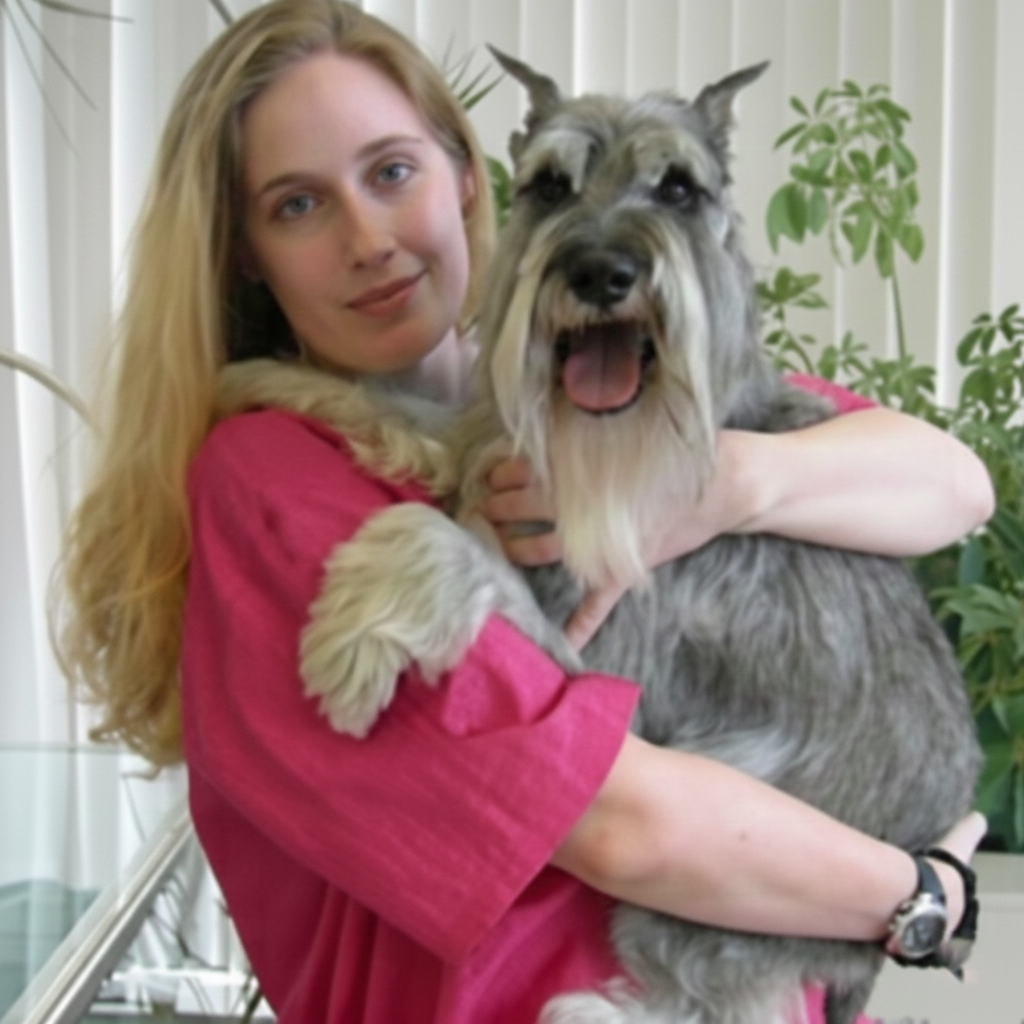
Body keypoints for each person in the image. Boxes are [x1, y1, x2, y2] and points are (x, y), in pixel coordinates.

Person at [56, 2, 993, 1023]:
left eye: (391, 172)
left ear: (465, 175)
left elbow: (951, 484)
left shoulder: (631, 402)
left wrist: (723, 485)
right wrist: (918, 894)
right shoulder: (269, 475)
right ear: (245, 250)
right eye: (297, 205)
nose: (368, 240)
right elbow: (612, 819)